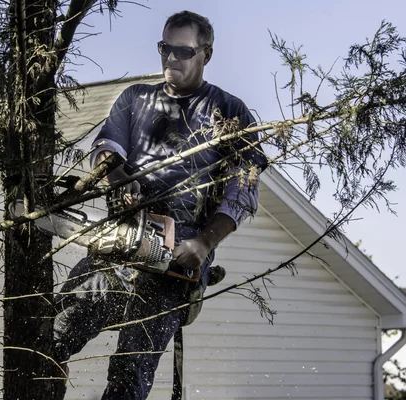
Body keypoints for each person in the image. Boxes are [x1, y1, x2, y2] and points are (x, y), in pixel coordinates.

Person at [54, 10, 267, 400]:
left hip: (178, 257)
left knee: (130, 367)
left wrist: (203, 244)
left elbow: (243, 189)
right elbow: (106, 149)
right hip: (121, 242)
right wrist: (121, 181)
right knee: (55, 332)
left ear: (206, 54)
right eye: (165, 48)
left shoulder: (230, 112)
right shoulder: (135, 99)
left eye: (183, 51)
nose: (171, 58)